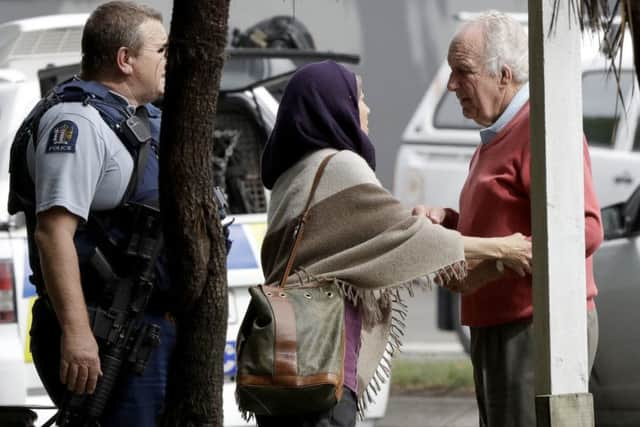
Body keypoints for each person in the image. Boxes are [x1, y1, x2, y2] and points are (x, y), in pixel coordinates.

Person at [257, 60, 532, 427]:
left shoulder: (292, 174)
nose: (367, 109)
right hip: (320, 356)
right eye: (360, 98)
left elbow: (377, 235)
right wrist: (504, 248)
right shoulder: (338, 167)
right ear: (336, 107)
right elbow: (403, 236)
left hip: (283, 358)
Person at [412, 11, 603, 427]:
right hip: (500, 326)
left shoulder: (540, 126)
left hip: (530, 327)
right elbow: (508, 220)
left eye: (462, 72)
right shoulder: (499, 133)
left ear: (503, 74)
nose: (451, 85)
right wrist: (447, 221)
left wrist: (497, 265)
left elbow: (585, 230)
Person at [7, 2, 173, 426]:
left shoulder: (140, 117)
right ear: (125, 59)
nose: (169, 60)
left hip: (145, 327)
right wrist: (79, 335)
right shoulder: (77, 124)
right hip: (105, 334)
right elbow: (52, 234)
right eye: (161, 50)